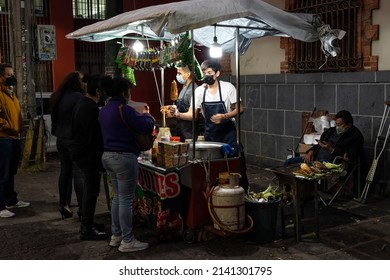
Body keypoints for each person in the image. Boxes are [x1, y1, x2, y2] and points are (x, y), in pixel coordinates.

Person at [168, 58, 249, 192]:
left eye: (209, 72)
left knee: (237, 170)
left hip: (229, 137)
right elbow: (192, 115)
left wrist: (225, 116)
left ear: (217, 73)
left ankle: (242, 199)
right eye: (205, 72)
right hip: (211, 139)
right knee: (214, 174)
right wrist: (177, 114)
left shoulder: (228, 88)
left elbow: (240, 108)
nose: (207, 75)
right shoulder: (199, 91)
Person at [99, 77, 154, 253]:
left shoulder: (104, 109)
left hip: (107, 156)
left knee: (117, 197)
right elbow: (145, 127)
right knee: (125, 200)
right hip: (123, 158)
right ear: (124, 93)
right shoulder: (125, 109)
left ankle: (116, 236)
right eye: (129, 91)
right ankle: (128, 240)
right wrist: (147, 116)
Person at [70, 74, 108, 240]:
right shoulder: (90, 108)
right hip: (87, 155)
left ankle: (89, 221)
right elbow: (93, 137)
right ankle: (87, 228)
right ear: (98, 91)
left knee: (90, 189)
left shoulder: (83, 103)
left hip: (81, 152)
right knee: (91, 190)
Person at [49, 71, 84, 219]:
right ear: (77, 82)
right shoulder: (78, 97)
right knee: (78, 173)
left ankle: (64, 204)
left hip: (61, 138)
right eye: (82, 80)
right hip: (74, 139)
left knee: (65, 172)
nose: (84, 82)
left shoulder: (57, 96)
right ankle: (83, 207)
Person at [0, 63, 30, 218]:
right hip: (3, 138)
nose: (12, 77)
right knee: (2, 173)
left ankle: (11, 200)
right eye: (8, 75)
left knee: (10, 172)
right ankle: (1, 206)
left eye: (12, 74)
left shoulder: (10, 93)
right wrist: (10, 127)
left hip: (13, 138)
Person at [287, 110, 364, 164]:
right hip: (315, 158)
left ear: (349, 125)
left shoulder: (355, 136)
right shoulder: (331, 131)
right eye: (336, 124)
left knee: (313, 167)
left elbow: (351, 157)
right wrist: (310, 152)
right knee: (289, 162)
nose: (337, 127)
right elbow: (319, 144)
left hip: (330, 162)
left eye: (340, 124)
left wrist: (331, 149)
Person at [174, 64, 200, 142]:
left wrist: (177, 114)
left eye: (179, 73)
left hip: (189, 132)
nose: (177, 76)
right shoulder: (184, 88)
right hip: (181, 129)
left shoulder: (193, 89)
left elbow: (193, 115)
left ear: (188, 74)